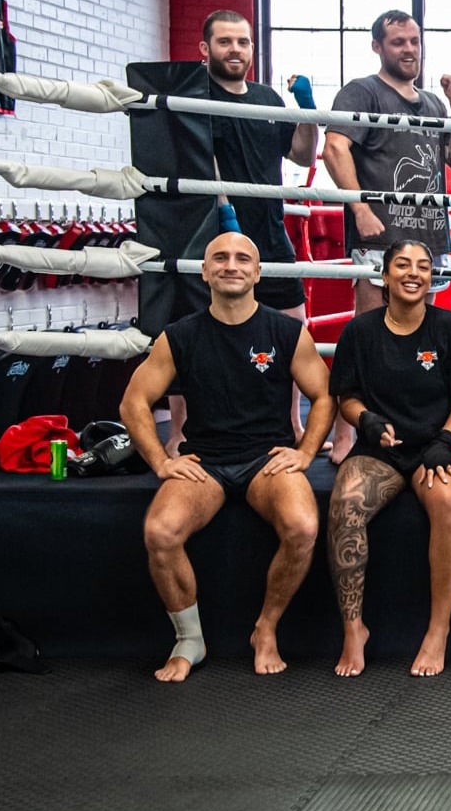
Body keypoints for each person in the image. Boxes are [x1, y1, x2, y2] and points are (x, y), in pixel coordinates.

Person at [121, 231, 334, 682]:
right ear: (204, 272)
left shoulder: (286, 332)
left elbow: (324, 395)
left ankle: (266, 627)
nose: (231, 265)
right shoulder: (179, 336)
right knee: (160, 531)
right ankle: (189, 639)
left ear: (257, 272)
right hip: (206, 461)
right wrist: (161, 461)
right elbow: (133, 402)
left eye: (242, 259)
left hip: (266, 460)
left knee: (302, 526)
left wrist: (305, 452)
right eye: (219, 258)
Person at [326, 238, 451, 678]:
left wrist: (447, 438)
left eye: (422, 266)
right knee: (346, 503)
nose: (413, 273)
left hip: (442, 444)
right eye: (402, 264)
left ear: (432, 278)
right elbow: (346, 397)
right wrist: (366, 420)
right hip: (382, 448)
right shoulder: (360, 332)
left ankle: (438, 630)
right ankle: (353, 629)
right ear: (384, 274)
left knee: (449, 501)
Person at [163, 11, 319, 457]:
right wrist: (224, 208)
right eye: (225, 42)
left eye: (243, 42)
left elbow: (303, 155)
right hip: (212, 230)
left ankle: (291, 423)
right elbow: (200, 158)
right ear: (205, 49)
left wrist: (308, 112)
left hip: (269, 230)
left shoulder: (268, 98)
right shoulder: (196, 96)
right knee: (191, 326)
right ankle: (181, 431)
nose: (235, 50)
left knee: (292, 326)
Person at [323, 10, 451, 461]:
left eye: (414, 41)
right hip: (380, 236)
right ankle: (347, 434)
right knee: (367, 337)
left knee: (415, 341)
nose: (409, 50)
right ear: (378, 47)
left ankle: (409, 428)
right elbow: (334, 147)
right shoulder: (363, 91)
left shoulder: (433, 103)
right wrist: (360, 208)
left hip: (429, 239)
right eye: (398, 42)